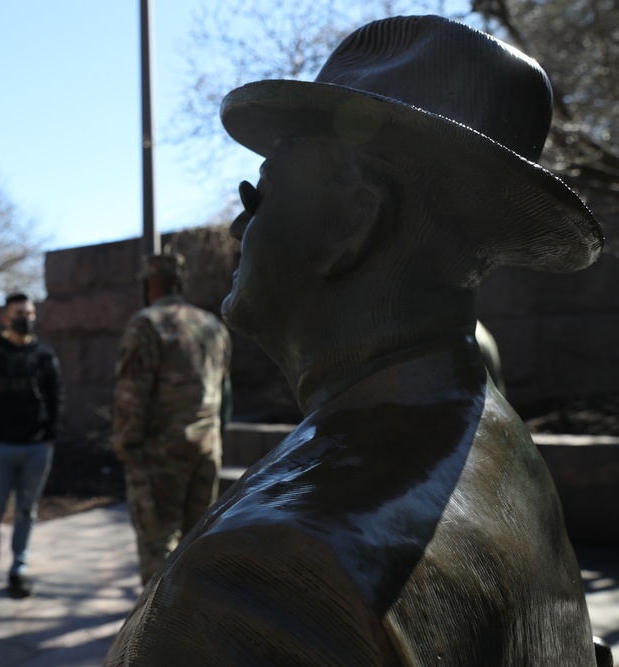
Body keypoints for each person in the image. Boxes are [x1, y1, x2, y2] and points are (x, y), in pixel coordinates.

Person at [106, 16, 610, 666]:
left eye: (259, 191)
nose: (238, 225)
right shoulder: (496, 434)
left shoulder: (254, 589)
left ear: (353, 218)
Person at [111, 251, 232, 585]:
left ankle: (161, 632)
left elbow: (130, 401)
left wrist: (127, 450)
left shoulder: (147, 324)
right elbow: (225, 399)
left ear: (149, 284)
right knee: (198, 544)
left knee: (159, 552)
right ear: (180, 283)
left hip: (160, 459)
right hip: (207, 450)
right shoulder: (212, 326)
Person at [0, 293, 63, 601]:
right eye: (20, 312)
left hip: (37, 449)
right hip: (1, 449)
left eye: (30, 312)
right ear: (5, 318)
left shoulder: (45, 356)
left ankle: (18, 573)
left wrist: (49, 436)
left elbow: (56, 398)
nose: (27, 317)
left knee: (26, 512)